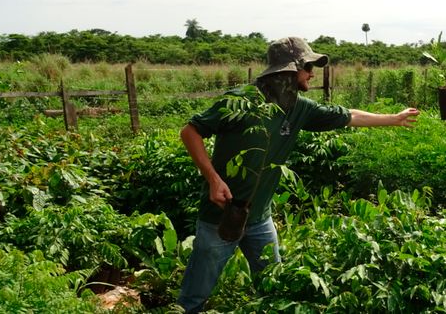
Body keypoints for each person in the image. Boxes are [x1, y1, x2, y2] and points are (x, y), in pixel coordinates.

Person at [177, 36, 420, 313]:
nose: (312, 74)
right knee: (194, 298)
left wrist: (394, 118)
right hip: (218, 216)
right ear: (290, 70)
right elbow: (190, 131)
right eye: (308, 67)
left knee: (274, 287)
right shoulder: (241, 102)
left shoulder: (300, 108)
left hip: (260, 219)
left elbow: (349, 115)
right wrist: (213, 178)